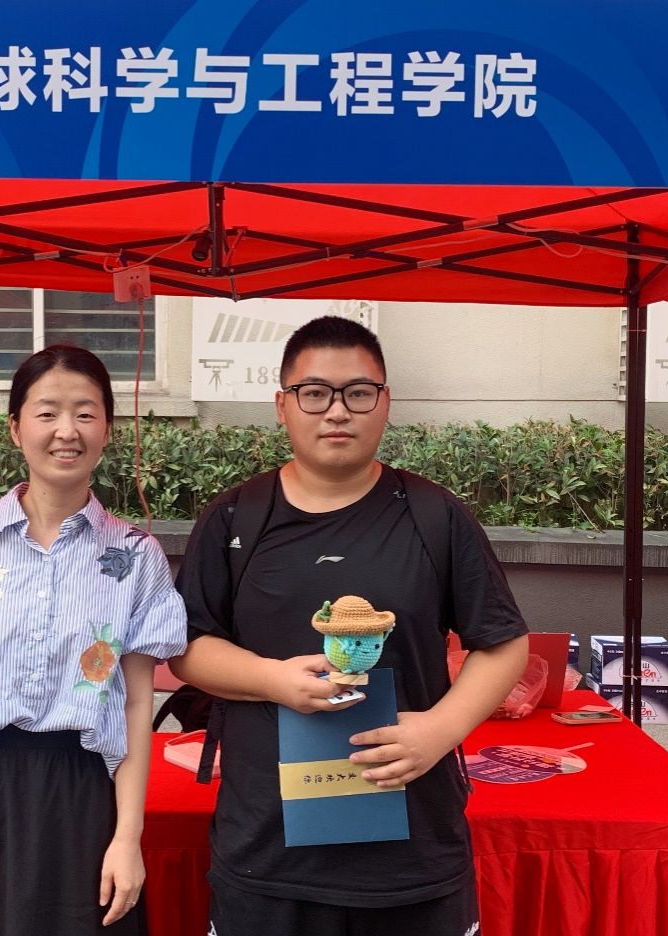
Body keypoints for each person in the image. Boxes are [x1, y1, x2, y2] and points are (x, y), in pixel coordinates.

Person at [171, 316, 530, 936]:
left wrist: (440, 729)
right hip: (266, 848)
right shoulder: (235, 518)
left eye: (358, 393)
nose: (337, 411)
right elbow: (186, 647)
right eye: (314, 393)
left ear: (385, 403)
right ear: (282, 406)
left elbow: (502, 643)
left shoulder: (434, 515)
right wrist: (271, 679)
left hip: (412, 847)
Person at [0, 344, 187, 936]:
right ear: (15, 428)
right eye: (47, 412)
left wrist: (128, 838)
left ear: (107, 430)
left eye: (85, 413)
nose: (66, 431)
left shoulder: (135, 555)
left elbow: (135, 703)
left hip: (81, 797)